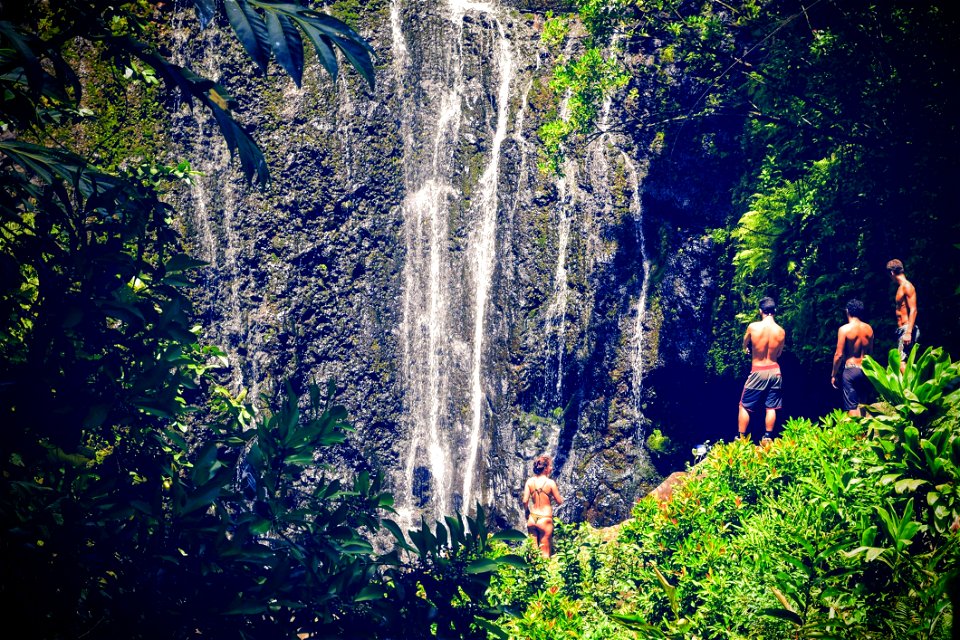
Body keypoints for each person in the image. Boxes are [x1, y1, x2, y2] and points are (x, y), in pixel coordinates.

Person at [738, 297, 786, 442]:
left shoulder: (753, 327)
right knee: (771, 407)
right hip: (775, 370)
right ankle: (768, 437)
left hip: (758, 370)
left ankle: (741, 438)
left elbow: (745, 342)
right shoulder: (781, 331)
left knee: (744, 406)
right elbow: (778, 353)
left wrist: (747, 348)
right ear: (774, 311)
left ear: (760, 311)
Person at [831, 299, 874, 417]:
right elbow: (870, 352)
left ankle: (855, 434)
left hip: (851, 370)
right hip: (865, 369)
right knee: (863, 403)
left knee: (852, 405)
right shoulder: (869, 329)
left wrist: (834, 374)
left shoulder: (844, 329)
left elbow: (838, 355)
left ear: (847, 311)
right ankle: (864, 433)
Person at [521, 455, 563, 558]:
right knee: (545, 554)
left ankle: (532, 572)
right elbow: (559, 501)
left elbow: (525, 500)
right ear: (545, 468)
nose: (551, 468)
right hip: (545, 519)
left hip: (532, 518)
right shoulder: (550, 483)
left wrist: (527, 511)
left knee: (533, 554)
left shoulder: (529, 482)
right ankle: (545, 573)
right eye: (550, 466)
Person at [887, 258, 918, 374]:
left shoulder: (907, 286)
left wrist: (909, 332)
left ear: (892, 273)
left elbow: (914, 309)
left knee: (900, 361)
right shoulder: (901, 287)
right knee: (904, 361)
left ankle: (910, 390)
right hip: (902, 329)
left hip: (906, 328)